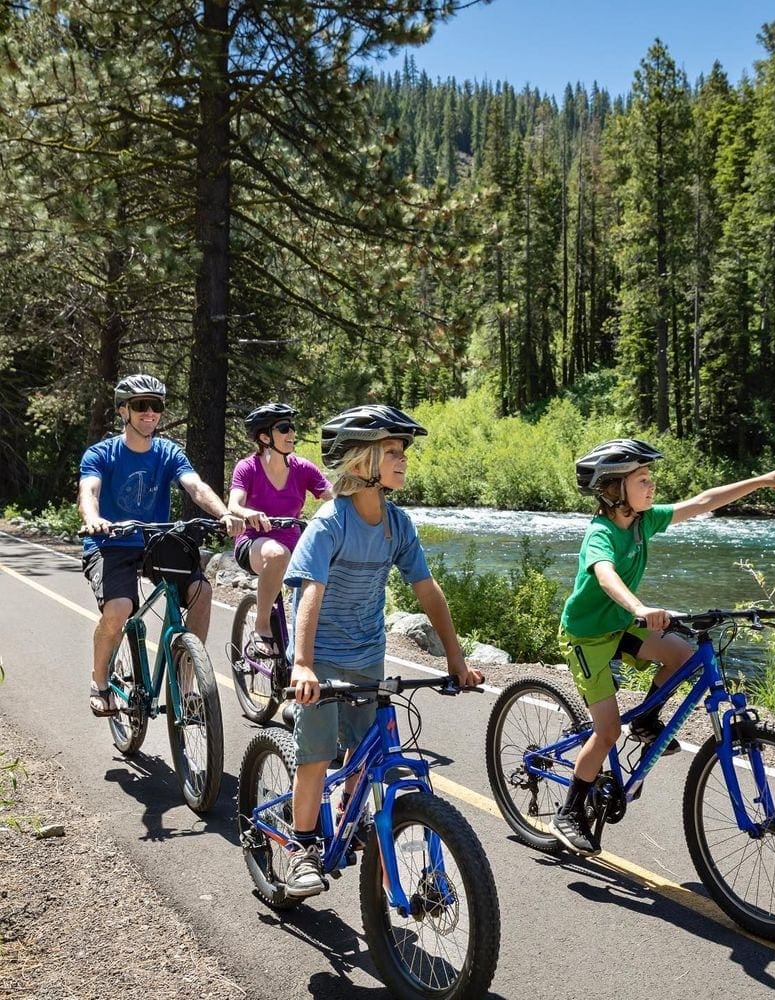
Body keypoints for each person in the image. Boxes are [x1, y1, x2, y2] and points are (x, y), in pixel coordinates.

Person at [550, 439, 775, 855]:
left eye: (650, 479)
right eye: (642, 480)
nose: (651, 486)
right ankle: (570, 811)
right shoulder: (601, 533)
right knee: (608, 731)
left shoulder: (644, 522)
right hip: (587, 636)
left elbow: (703, 501)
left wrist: (762, 481)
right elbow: (605, 574)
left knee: (684, 656)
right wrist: (640, 607)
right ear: (614, 488)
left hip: (620, 625)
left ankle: (647, 720)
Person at [281, 403, 483, 898]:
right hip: (323, 656)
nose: (403, 459)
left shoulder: (397, 524)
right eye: (392, 451)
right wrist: (302, 664)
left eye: (403, 452)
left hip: (368, 652)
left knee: (370, 753)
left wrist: (454, 658)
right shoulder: (331, 523)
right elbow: (310, 592)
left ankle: (358, 822)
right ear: (358, 463)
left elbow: (427, 588)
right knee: (316, 756)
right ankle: (302, 847)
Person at [78, 374, 242, 717]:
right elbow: (89, 491)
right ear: (124, 410)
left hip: (155, 541)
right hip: (111, 543)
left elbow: (195, 487)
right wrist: (94, 518)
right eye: (140, 406)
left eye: (156, 406)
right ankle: (100, 682)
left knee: (201, 592)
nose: (149, 413)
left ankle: (185, 682)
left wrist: (224, 512)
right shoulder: (101, 454)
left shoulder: (168, 452)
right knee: (120, 609)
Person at [227, 403, 334, 657]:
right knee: (277, 555)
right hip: (254, 543)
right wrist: (247, 513)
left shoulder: (303, 468)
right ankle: (261, 627)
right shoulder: (248, 468)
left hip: (295, 546)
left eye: (292, 428)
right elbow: (233, 504)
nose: (291, 434)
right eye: (284, 428)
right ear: (265, 437)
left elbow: (333, 496)